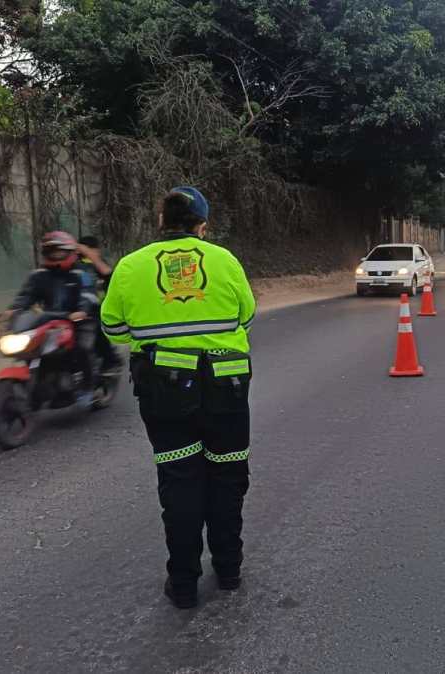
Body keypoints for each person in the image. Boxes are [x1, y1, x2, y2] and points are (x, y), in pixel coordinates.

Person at [101, 187, 257, 610]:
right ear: (203, 226)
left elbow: (113, 328)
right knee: (227, 476)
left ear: (160, 221)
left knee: (180, 480)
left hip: (166, 391)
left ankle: (184, 584)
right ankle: (229, 570)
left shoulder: (131, 266)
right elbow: (245, 316)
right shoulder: (224, 260)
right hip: (227, 387)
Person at [8, 230, 98, 408]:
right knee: (31, 346)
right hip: (50, 319)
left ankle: (87, 387)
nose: (55, 255)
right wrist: (14, 309)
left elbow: (87, 295)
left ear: (69, 252)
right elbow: (26, 296)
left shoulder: (81, 274)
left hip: (78, 320)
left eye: (59, 251)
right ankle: (42, 384)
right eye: (52, 251)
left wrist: (81, 310)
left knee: (81, 348)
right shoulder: (38, 275)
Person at [76, 235, 123, 372]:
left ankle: (110, 362)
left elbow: (108, 273)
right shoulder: (74, 264)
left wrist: (89, 254)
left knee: (98, 329)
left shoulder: (97, 264)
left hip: (99, 308)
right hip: (76, 309)